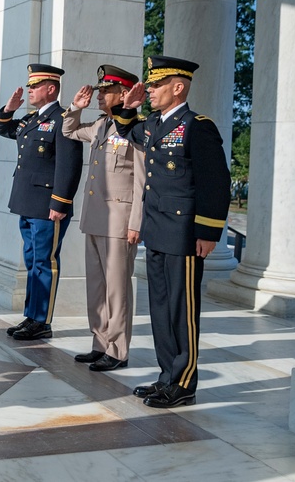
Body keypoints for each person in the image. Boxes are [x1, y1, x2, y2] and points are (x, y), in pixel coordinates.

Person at [109, 55, 230, 408]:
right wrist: (127, 108)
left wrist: (207, 231)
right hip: (158, 229)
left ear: (178, 87)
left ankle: (184, 382)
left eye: (157, 85)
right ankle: (166, 377)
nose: (150, 90)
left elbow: (215, 181)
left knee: (181, 309)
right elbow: (127, 131)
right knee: (160, 307)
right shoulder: (154, 124)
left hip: (184, 232)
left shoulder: (197, 126)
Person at [61, 65, 144, 372]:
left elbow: (141, 180)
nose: (99, 97)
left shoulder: (138, 128)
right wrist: (74, 108)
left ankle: (118, 351)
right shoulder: (99, 125)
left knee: (117, 289)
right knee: (97, 287)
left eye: (106, 92)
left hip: (120, 220)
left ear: (124, 95)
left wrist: (136, 222)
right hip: (95, 217)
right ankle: (100, 343)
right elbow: (68, 130)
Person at [0, 64, 83, 340]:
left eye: (35, 86)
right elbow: (2, 129)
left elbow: (69, 166)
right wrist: (8, 109)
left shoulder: (63, 119)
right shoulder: (31, 119)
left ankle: (42, 321)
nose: (30, 90)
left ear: (51, 88)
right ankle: (31, 316)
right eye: (30, 86)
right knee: (32, 259)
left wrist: (60, 202)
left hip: (48, 205)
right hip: (27, 201)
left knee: (45, 261)